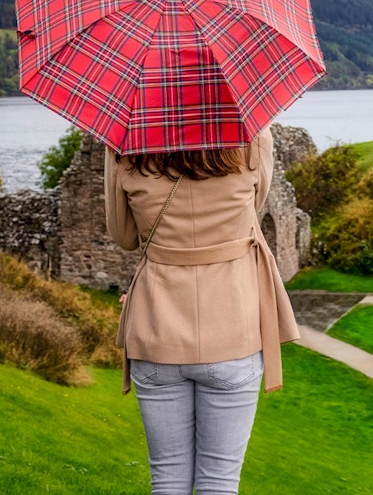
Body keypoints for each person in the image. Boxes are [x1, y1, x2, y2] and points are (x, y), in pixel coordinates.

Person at [105, 127, 299, 495]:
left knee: (166, 479)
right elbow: (251, 211)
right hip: (233, 329)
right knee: (221, 482)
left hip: (156, 329)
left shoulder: (123, 139)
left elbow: (124, 236)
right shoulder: (253, 134)